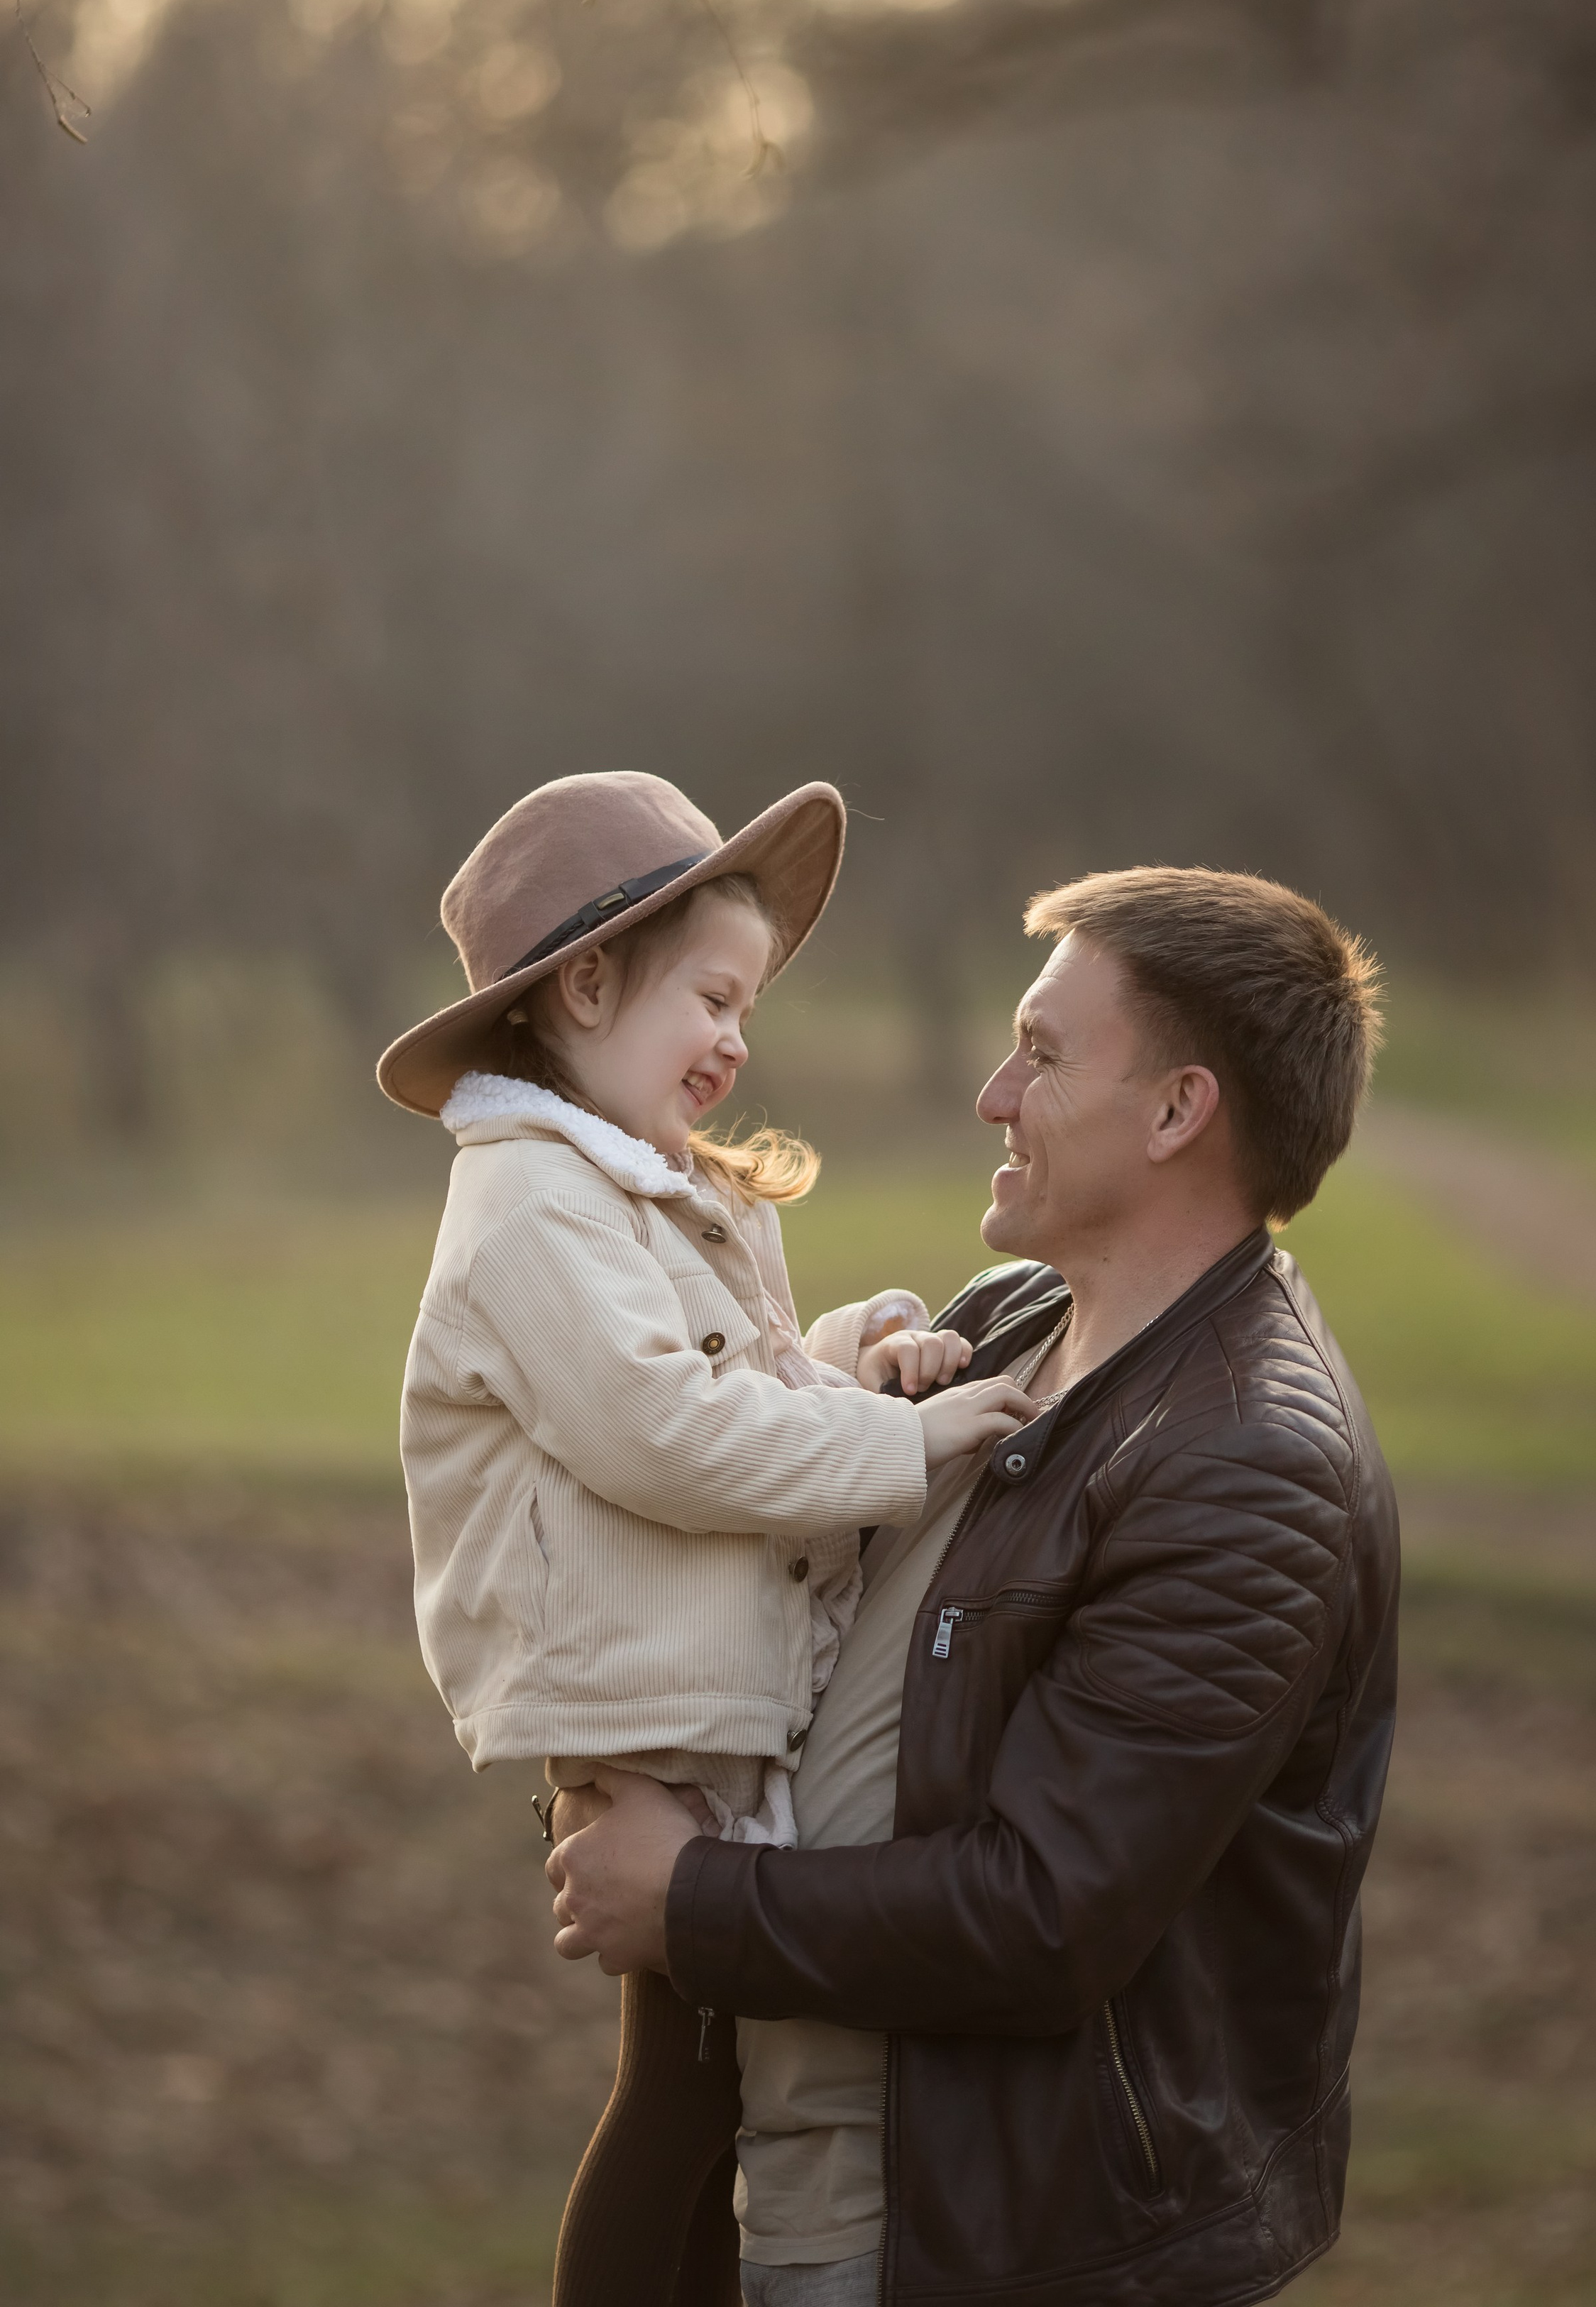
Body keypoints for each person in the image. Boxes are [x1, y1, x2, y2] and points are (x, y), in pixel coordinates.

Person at [545, 864, 1399, 2307]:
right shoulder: (1008, 1323)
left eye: (1042, 1053)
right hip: (806, 2191)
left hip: (991, 2250)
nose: (994, 1094)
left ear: (1179, 1110)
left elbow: (1042, 1915)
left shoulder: (1245, 1467)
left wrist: (688, 1900)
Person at [376, 770, 1039, 2306]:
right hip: (632, 1707)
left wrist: (851, 1363)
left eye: (749, 1007)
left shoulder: (646, 1195)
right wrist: (905, 1443)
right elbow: (657, 1435)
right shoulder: (531, 1206)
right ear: (588, 984)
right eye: (712, 997)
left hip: (690, 1687)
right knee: (676, 2095)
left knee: (709, 2088)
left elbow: (719, 1386)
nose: (738, 1040)